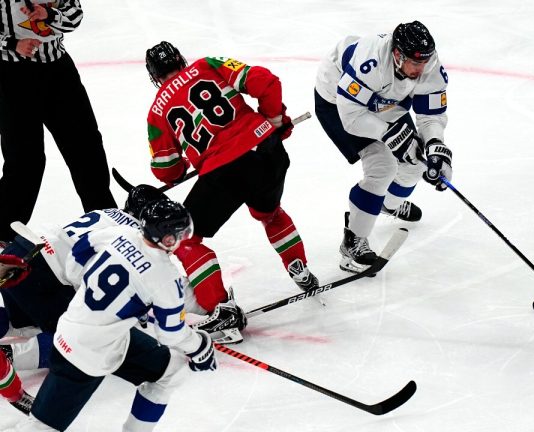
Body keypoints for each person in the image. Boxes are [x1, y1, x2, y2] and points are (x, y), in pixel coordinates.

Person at [144, 42, 319, 342]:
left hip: (226, 171)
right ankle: (299, 267)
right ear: (180, 59)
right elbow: (266, 82)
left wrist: (191, 157)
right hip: (268, 152)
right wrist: (275, 121)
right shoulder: (207, 64)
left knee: (185, 238)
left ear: (154, 75)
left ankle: (222, 312)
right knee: (269, 212)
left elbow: (167, 170)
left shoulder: (157, 112)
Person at [15, 200, 217, 431]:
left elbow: (80, 250)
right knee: (42, 426)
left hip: (82, 330)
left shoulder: (121, 232)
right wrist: (199, 345)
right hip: (89, 354)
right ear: (169, 238)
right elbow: (171, 335)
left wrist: (85, 284)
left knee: (170, 370)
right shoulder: (166, 278)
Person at [0, 185, 168, 415]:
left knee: (23, 320)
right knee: (80, 340)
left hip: (19, 249)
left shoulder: (107, 212)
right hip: (41, 273)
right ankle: (12, 356)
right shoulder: (137, 238)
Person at [314, 20, 452, 274]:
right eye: (415, 63)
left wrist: (435, 146)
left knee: (415, 162)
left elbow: (431, 116)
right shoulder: (371, 63)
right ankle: (352, 244)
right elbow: (352, 117)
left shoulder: (426, 64)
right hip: (339, 103)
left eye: (424, 62)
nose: (421, 69)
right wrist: (390, 135)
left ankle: (387, 203)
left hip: (385, 101)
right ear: (398, 55)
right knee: (383, 166)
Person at [0, 0, 117, 242]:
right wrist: (13, 44)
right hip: (11, 76)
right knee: (25, 162)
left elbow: (75, 15)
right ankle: (1, 232)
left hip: (58, 72)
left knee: (86, 148)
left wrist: (50, 14)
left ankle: (106, 221)